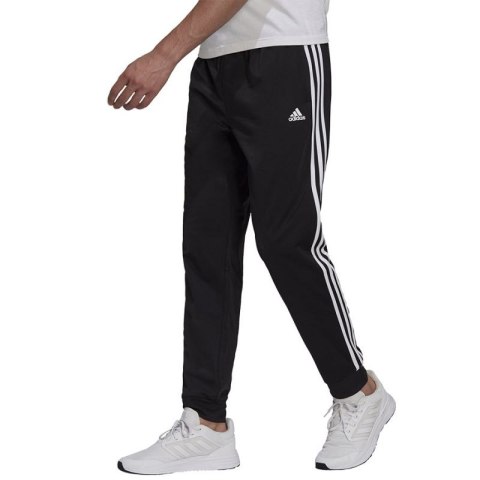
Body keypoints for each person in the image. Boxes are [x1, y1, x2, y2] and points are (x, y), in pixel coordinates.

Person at [108, 0, 396, 474]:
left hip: (284, 54)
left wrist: (163, 55)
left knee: (288, 241)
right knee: (208, 247)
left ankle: (359, 392)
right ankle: (206, 422)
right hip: (214, 59)